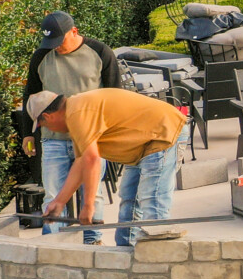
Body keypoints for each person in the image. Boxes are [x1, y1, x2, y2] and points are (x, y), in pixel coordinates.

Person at [28, 86, 190, 246]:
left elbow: (92, 160)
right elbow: (81, 163)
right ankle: (127, 254)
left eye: (44, 126)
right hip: (143, 143)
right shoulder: (76, 110)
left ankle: (158, 264)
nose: (50, 130)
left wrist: (88, 206)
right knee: (129, 201)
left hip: (162, 134)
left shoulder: (77, 114)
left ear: (48, 117)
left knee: (152, 204)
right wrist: (59, 202)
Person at [20, 10, 122, 246]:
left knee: (93, 193)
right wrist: (28, 133)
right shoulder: (42, 57)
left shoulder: (100, 52)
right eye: (50, 42)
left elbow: (116, 93)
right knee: (53, 195)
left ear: (74, 31)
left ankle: (93, 240)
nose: (55, 47)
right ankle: (52, 243)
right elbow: (30, 96)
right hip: (53, 138)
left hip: (91, 138)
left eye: (60, 41)